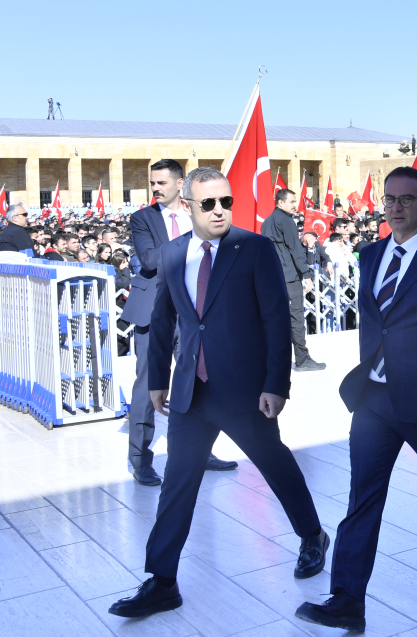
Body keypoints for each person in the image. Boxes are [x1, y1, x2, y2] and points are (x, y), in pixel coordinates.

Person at [109, 167, 328, 619]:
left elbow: (275, 318)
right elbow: (165, 319)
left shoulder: (254, 248)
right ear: (187, 205)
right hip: (192, 390)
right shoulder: (172, 254)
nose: (219, 211)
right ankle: (162, 581)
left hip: (246, 390)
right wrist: (157, 380)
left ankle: (312, 536)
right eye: (208, 203)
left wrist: (276, 384)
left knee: (275, 464)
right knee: (177, 484)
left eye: (226, 202)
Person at [297, 167, 417, 631]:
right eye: (390, 199)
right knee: (363, 497)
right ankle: (346, 600)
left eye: (406, 199)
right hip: (374, 399)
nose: (396, 208)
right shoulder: (372, 253)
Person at [120, 159, 235, 486]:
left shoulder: (200, 212)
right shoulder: (143, 218)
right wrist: (196, 240)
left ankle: (203, 451)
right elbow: (151, 259)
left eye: (161, 183)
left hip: (195, 312)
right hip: (154, 311)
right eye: (152, 183)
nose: (155, 188)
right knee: (147, 385)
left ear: (179, 183)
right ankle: (141, 460)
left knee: (203, 383)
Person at [262, 189, 326, 372]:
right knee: (296, 319)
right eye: (291, 201)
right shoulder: (287, 221)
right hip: (289, 277)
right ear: (280, 203)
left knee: (275, 321)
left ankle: (274, 361)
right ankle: (302, 359)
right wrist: (306, 274)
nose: (294, 205)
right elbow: (295, 250)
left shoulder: (267, 221)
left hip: (274, 277)